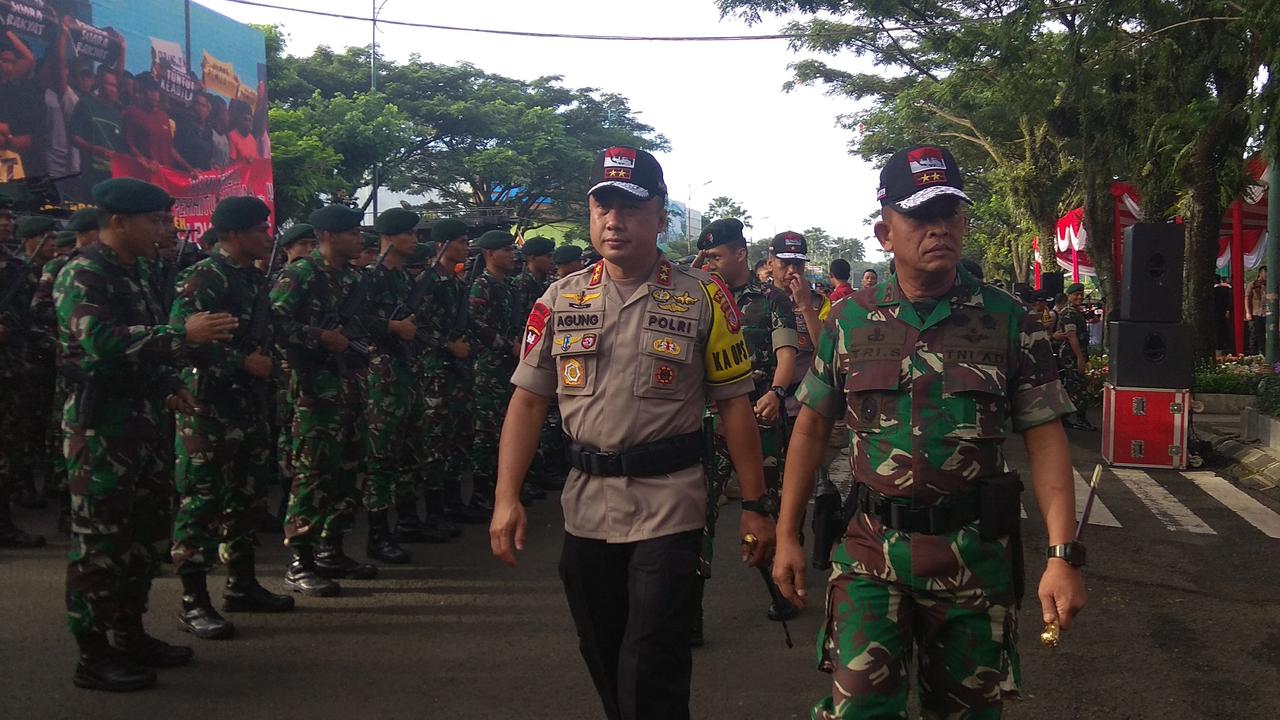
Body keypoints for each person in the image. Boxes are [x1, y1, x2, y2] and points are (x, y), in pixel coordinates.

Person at [772, 144, 1086, 719]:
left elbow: (1045, 438)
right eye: (920, 214)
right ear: (885, 230)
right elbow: (813, 427)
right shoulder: (848, 320)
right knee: (859, 712)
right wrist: (787, 533)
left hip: (973, 560)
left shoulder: (1009, 319)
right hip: (871, 554)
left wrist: (1062, 555)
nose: (938, 227)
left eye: (950, 213)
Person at [490, 146, 775, 720]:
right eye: (604, 207)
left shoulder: (702, 297)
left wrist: (755, 504)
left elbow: (735, 407)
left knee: (652, 660)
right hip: (586, 505)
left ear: (660, 214)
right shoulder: (560, 298)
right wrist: (506, 498)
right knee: (602, 649)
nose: (614, 220)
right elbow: (527, 400)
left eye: (629, 207)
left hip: (668, 502)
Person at [55, 178, 239, 691]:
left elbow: (145, 347)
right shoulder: (83, 271)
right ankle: (92, 655)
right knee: (100, 546)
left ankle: (129, 634)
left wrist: (167, 384)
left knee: (143, 540)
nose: (165, 230)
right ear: (118, 222)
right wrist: (183, 333)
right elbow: (99, 341)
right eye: (155, 221)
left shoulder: (137, 272)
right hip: (100, 432)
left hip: (144, 424)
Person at [170, 196, 295, 641]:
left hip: (250, 406)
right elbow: (185, 340)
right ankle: (193, 601)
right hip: (209, 408)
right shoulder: (206, 276)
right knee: (201, 502)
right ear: (233, 234)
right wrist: (243, 363)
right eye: (260, 228)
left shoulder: (252, 278)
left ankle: (241, 584)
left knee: (245, 498)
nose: (267, 235)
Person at [694, 216, 799, 642]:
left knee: (763, 508)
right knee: (699, 512)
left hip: (759, 417)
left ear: (741, 253)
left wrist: (776, 391)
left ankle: (781, 587)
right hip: (709, 419)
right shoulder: (696, 295)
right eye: (707, 257)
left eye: (717, 256)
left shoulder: (771, 299)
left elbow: (787, 352)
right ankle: (690, 612)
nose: (712, 264)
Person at [271, 204, 376, 597]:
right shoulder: (299, 274)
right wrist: (319, 337)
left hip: (347, 384)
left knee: (348, 469)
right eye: (351, 232)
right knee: (312, 473)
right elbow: (275, 323)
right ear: (328, 237)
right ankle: (300, 560)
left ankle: (332, 548)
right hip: (313, 390)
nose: (359, 239)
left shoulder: (350, 278)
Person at [357, 207, 425, 562]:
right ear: (389, 237)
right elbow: (353, 320)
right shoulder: (370, 278)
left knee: (407, 452)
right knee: (381, 456)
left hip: (404, 372)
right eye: (408, 234)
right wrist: (391, 328)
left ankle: (406, 520)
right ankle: (378, 533)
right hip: (380, 375)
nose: (414, 240)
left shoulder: (402, 279)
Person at [414, 219, 486, 524]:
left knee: (458, 436)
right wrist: (447, 345)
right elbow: (417, 325)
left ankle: (453, 500)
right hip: (435, 370)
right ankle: (433, 508)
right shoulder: (427, 282)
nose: (466, 247)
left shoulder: (457, 282)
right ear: (442, 245)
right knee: (436, 440)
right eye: (460, 241)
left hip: (458, 371)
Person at [468, 230, 522, 512]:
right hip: (488, 366)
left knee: (506, 429)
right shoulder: (482, 285)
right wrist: (505, 345)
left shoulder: (509, 287)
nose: (513, 255)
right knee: (486, 432)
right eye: (506, 250)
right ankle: (480, 491)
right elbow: (476, 323)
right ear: (490, 254)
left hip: (509, 366)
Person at [1054, 283, 1096, 431]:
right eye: (1075, 294)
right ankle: (1080, 419)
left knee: (1069, 386)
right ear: (1069, 296)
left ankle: (1063, 418)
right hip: (1071, 355)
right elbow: (1071, 336)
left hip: (1073, 353)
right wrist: (1079, 358)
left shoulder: (1073, 312)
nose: (1079, 297)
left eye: (1081, 294)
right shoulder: (1070, 313)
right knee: (1078, 387)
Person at [1247, 266, 1267, 355]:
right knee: (1255, 334)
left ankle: (1264, 352)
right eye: (1265, 273)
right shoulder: (1253, 284)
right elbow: (1247, 298)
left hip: (1267, 313)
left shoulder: (1270, 284)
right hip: (1256, 312)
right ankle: (1254, 355)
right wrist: (1248, 312)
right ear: (1260, 273)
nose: (1267, 275)